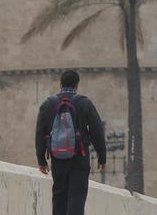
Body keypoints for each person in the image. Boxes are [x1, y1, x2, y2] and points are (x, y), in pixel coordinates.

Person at [34, 70, 106, 215]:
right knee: (77, 197)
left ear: (60, 83)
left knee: (59, 195)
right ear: (77, 85)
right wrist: (102, 156)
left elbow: (40, 133)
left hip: (57, 158)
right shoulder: (84, 103)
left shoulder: (48, 104)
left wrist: (41, 160)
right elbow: (97, 130)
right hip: (79, 157)